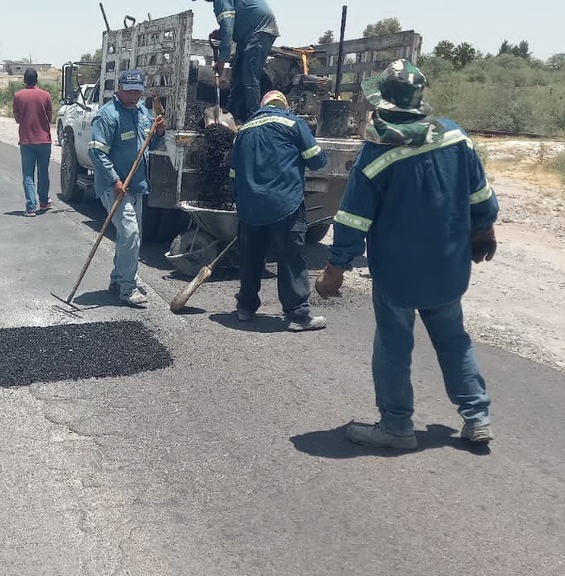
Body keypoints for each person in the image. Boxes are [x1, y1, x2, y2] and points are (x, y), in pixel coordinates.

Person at [316, 59, 500, 450]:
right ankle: (476, 417)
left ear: (383, 104)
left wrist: (336, 267)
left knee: (393, 346)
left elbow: (353, 219)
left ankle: (397, 426)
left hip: (398, 274)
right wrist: (484, 227)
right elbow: (480, 194)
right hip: (449, 266)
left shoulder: (375, 156)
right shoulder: (455, 137)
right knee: (454, 340)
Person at [229, 90, 328, 332]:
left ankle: (245, 308)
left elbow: (233, 173)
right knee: (290, 258)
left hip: (250, 205)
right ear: (284, 105)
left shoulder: (243, 131)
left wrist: (240, 201)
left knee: (250, 258)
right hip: (285, 203)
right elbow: (317, 160)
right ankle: (298, 315)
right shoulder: (293, 123)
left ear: (262, 106)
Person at [87, 69, 166, 307]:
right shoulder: (107, 116)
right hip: (114, 186)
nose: (133, 97)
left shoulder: (143, 113)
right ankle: (128, 287)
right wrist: (114, 180)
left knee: (129, 235)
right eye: (129, 92)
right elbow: (96, 152)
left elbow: (152, 145)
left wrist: (159, 132)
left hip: (136, 185)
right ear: (119, 88)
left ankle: (118, 278)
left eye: (137, 92)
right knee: (130, 232)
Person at [198, 0, 279, 124]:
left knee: (249, 74)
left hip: (260, 29)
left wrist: (222, 59)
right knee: (238, 72)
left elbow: (228, 25)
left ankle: (254, 119)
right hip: (249, 32)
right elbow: (232, 23)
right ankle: (230, 113)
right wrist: (221, 32)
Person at [13, 68, 53, 217]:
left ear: (24, 80)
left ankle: (31, 207)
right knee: (43, 172)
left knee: (28, 175)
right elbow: (49, 117)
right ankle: (44, 202)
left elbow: (17, 118)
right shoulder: (46, 95)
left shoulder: (18, 96)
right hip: (44, 140)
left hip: (27, 140)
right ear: (37, 79)